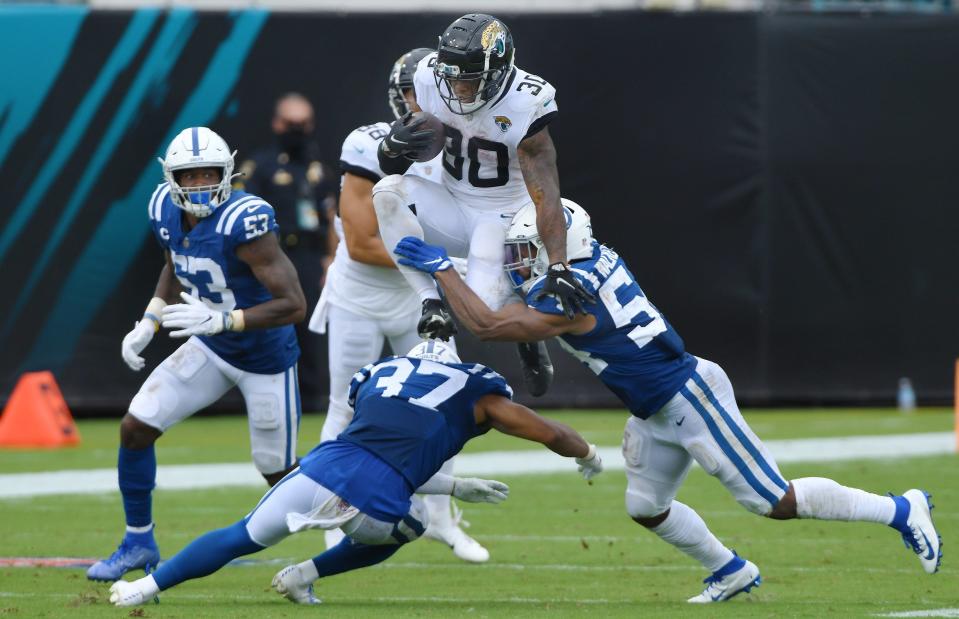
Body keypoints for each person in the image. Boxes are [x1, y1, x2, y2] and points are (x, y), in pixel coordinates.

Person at [392, 200, 943, 603]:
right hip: (654, 407)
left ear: (562, 247)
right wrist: (460, 269)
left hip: (688, 395)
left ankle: (900, 509)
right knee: (645, 506)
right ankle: (730, 570)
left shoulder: (572, 296)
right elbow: (510, 298)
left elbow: (488, 323)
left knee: (771, 499)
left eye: (527, 252)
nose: (519, 263)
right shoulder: (586, 264)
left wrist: (442, 269)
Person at [107, 340, 603, 607]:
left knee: (242, 535)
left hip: (323, 465)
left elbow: (379, 446)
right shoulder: (480, 393)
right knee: (411, 526)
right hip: (378, 500)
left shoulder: (377, 380)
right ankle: (305, 575)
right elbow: (551, 434)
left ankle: (142, 590)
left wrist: (452, 484)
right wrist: (588, 453)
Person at [86, 127, 307, 582]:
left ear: (228, 173)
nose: (201, 183)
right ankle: (138, 542)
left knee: (278, 474)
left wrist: (228, 320)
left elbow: (294, 305)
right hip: (211, 347)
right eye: (190, 176)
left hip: (265, 358)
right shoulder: (161, 209)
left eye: (209, 173)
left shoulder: (245, 221)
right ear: (172, 179)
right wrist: (149, 320)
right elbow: (174, 265)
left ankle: (360, 524)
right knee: (136, 426)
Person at [309, 48, 488, 561]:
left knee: (447, 400)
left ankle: (440, 520)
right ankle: (329, 510)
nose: (424, 100)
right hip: (362, 294)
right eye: (414, 90)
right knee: (346, 406)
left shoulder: (467, 149)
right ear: (398, 96)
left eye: (433, 88)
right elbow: (364, 242)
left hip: (421, 295)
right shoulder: (369, 144)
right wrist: (449, 264)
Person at [371, 14, 594, 397]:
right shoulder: (427, 76)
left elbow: (546, 190)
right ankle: (430, 303)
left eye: (468, 78)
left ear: (498, 71)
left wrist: (558, 263)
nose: (457, 87)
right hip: (451, 201)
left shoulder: (526, 101)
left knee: (484, 315)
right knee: (388, 192)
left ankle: (528, 335)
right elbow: (394, 164)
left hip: (501, 217)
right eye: (452, 76)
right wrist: (391, 145)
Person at [238, 93, 339, 408]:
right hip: (272, 257)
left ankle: (310, 397)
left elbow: (332, 217)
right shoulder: (260, 167)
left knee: (308, 325)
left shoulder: (319, 169)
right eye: (291, 123)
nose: (297, 129)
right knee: (269, 323)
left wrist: (330, 260)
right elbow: (243, 215)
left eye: (303, 123)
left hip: (309, 258)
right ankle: (260, 396)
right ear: (277, 123)